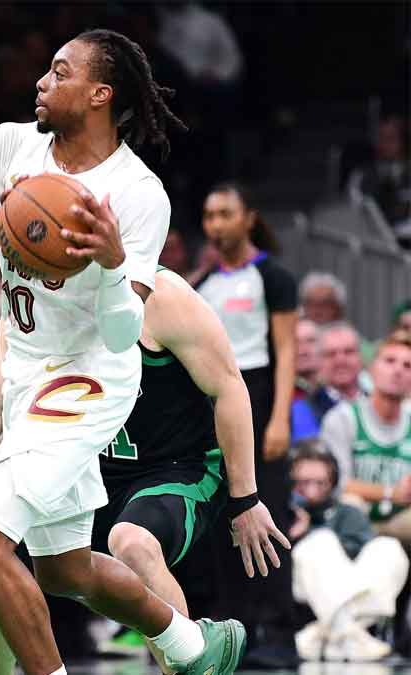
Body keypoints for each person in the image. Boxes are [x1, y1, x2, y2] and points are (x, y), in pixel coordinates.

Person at [0, 29, 245, 675]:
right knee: (64, 568)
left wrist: (108, 263)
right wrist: (1, 225)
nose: (41, 83)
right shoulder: (9, 145)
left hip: (89, 384)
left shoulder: (137, 194)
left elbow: (116, 332)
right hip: (25, 370)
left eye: (59, 72)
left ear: (99, 94)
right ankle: (195, 643)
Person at [87, 267, 285, 667]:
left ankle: (195, 659)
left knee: (133, 544)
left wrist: (245, 499)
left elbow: (230, 387)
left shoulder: (165, 295)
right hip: (89, 472)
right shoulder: (35, 297)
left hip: (176, 469)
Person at [194, 181, 299, 661]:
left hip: (260, 400)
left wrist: (280, 419)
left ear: (248, 218)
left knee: (267, 514)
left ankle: (278, 633)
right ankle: (233, 629)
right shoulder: (201, 286)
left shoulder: (272, 276)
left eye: (225, 214)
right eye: (210, 216)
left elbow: (288, 351)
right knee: (222, 524)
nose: (216, 224)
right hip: (214, 407)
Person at [287, 445, 405, 662]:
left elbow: (364, 550)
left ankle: (326, 635)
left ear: (332, 482)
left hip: (349, 581)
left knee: (388, 548)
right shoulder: (284, 514)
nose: (311, 490)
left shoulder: (348, 512)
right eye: (303, 483)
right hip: (302, 586)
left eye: (319, 482)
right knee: (319, 542)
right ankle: (350, 637)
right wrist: (301, 534)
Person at [320, 331, 411, 543]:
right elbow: (335, 485)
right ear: (370, 370)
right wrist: (391, 493)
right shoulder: (343, 418)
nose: (398, 370)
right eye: (390, 361)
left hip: (401, 525)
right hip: (351, 527)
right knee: (351, 503)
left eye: (408, 366)